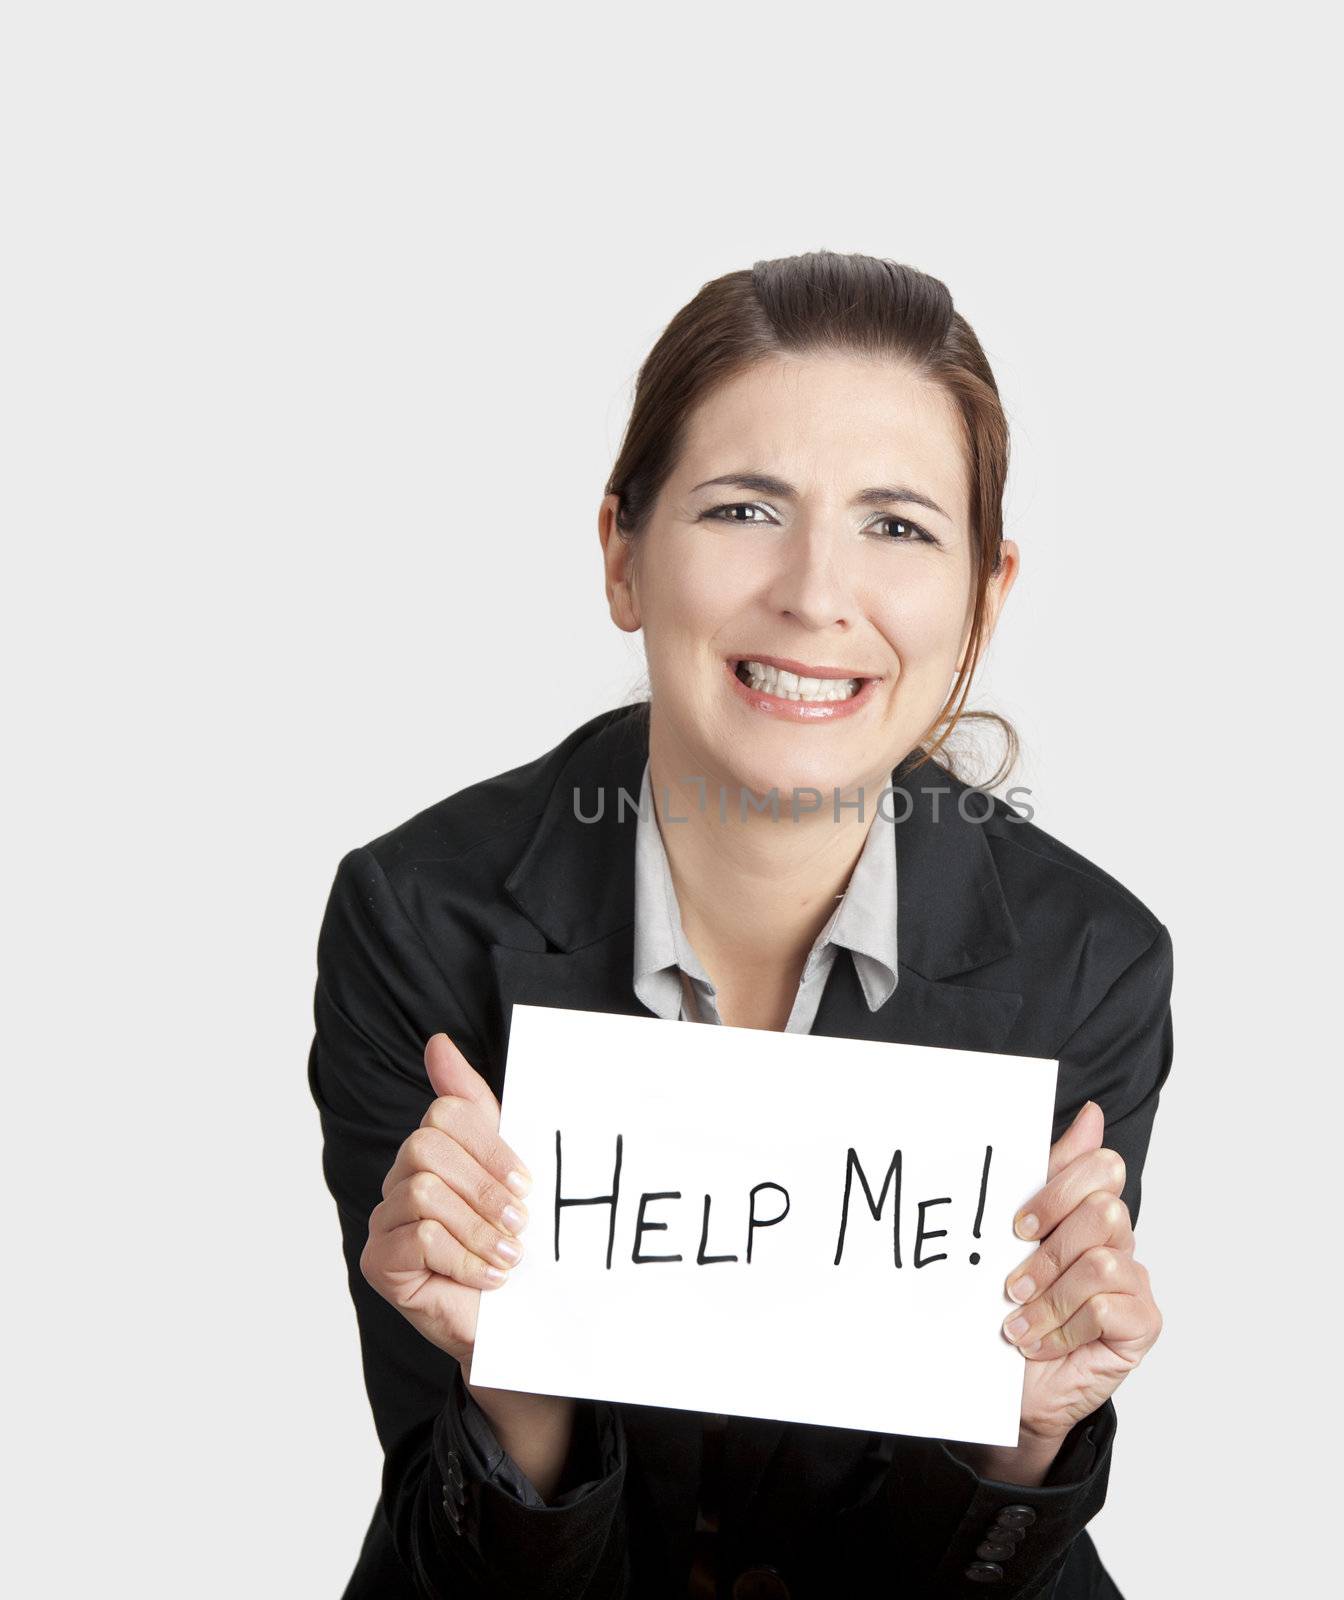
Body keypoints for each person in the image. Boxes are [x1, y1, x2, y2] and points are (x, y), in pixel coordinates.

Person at [309, 250, 1175, 1599]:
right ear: (623, 554)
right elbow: (453, 1540)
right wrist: (513, 1391)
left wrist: (1027, 1437)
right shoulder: (416, 921)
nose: (816, 593)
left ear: (984, 600)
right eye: (742, 509)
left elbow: (965, 1567)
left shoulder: (1087, 964)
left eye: (897, 527)